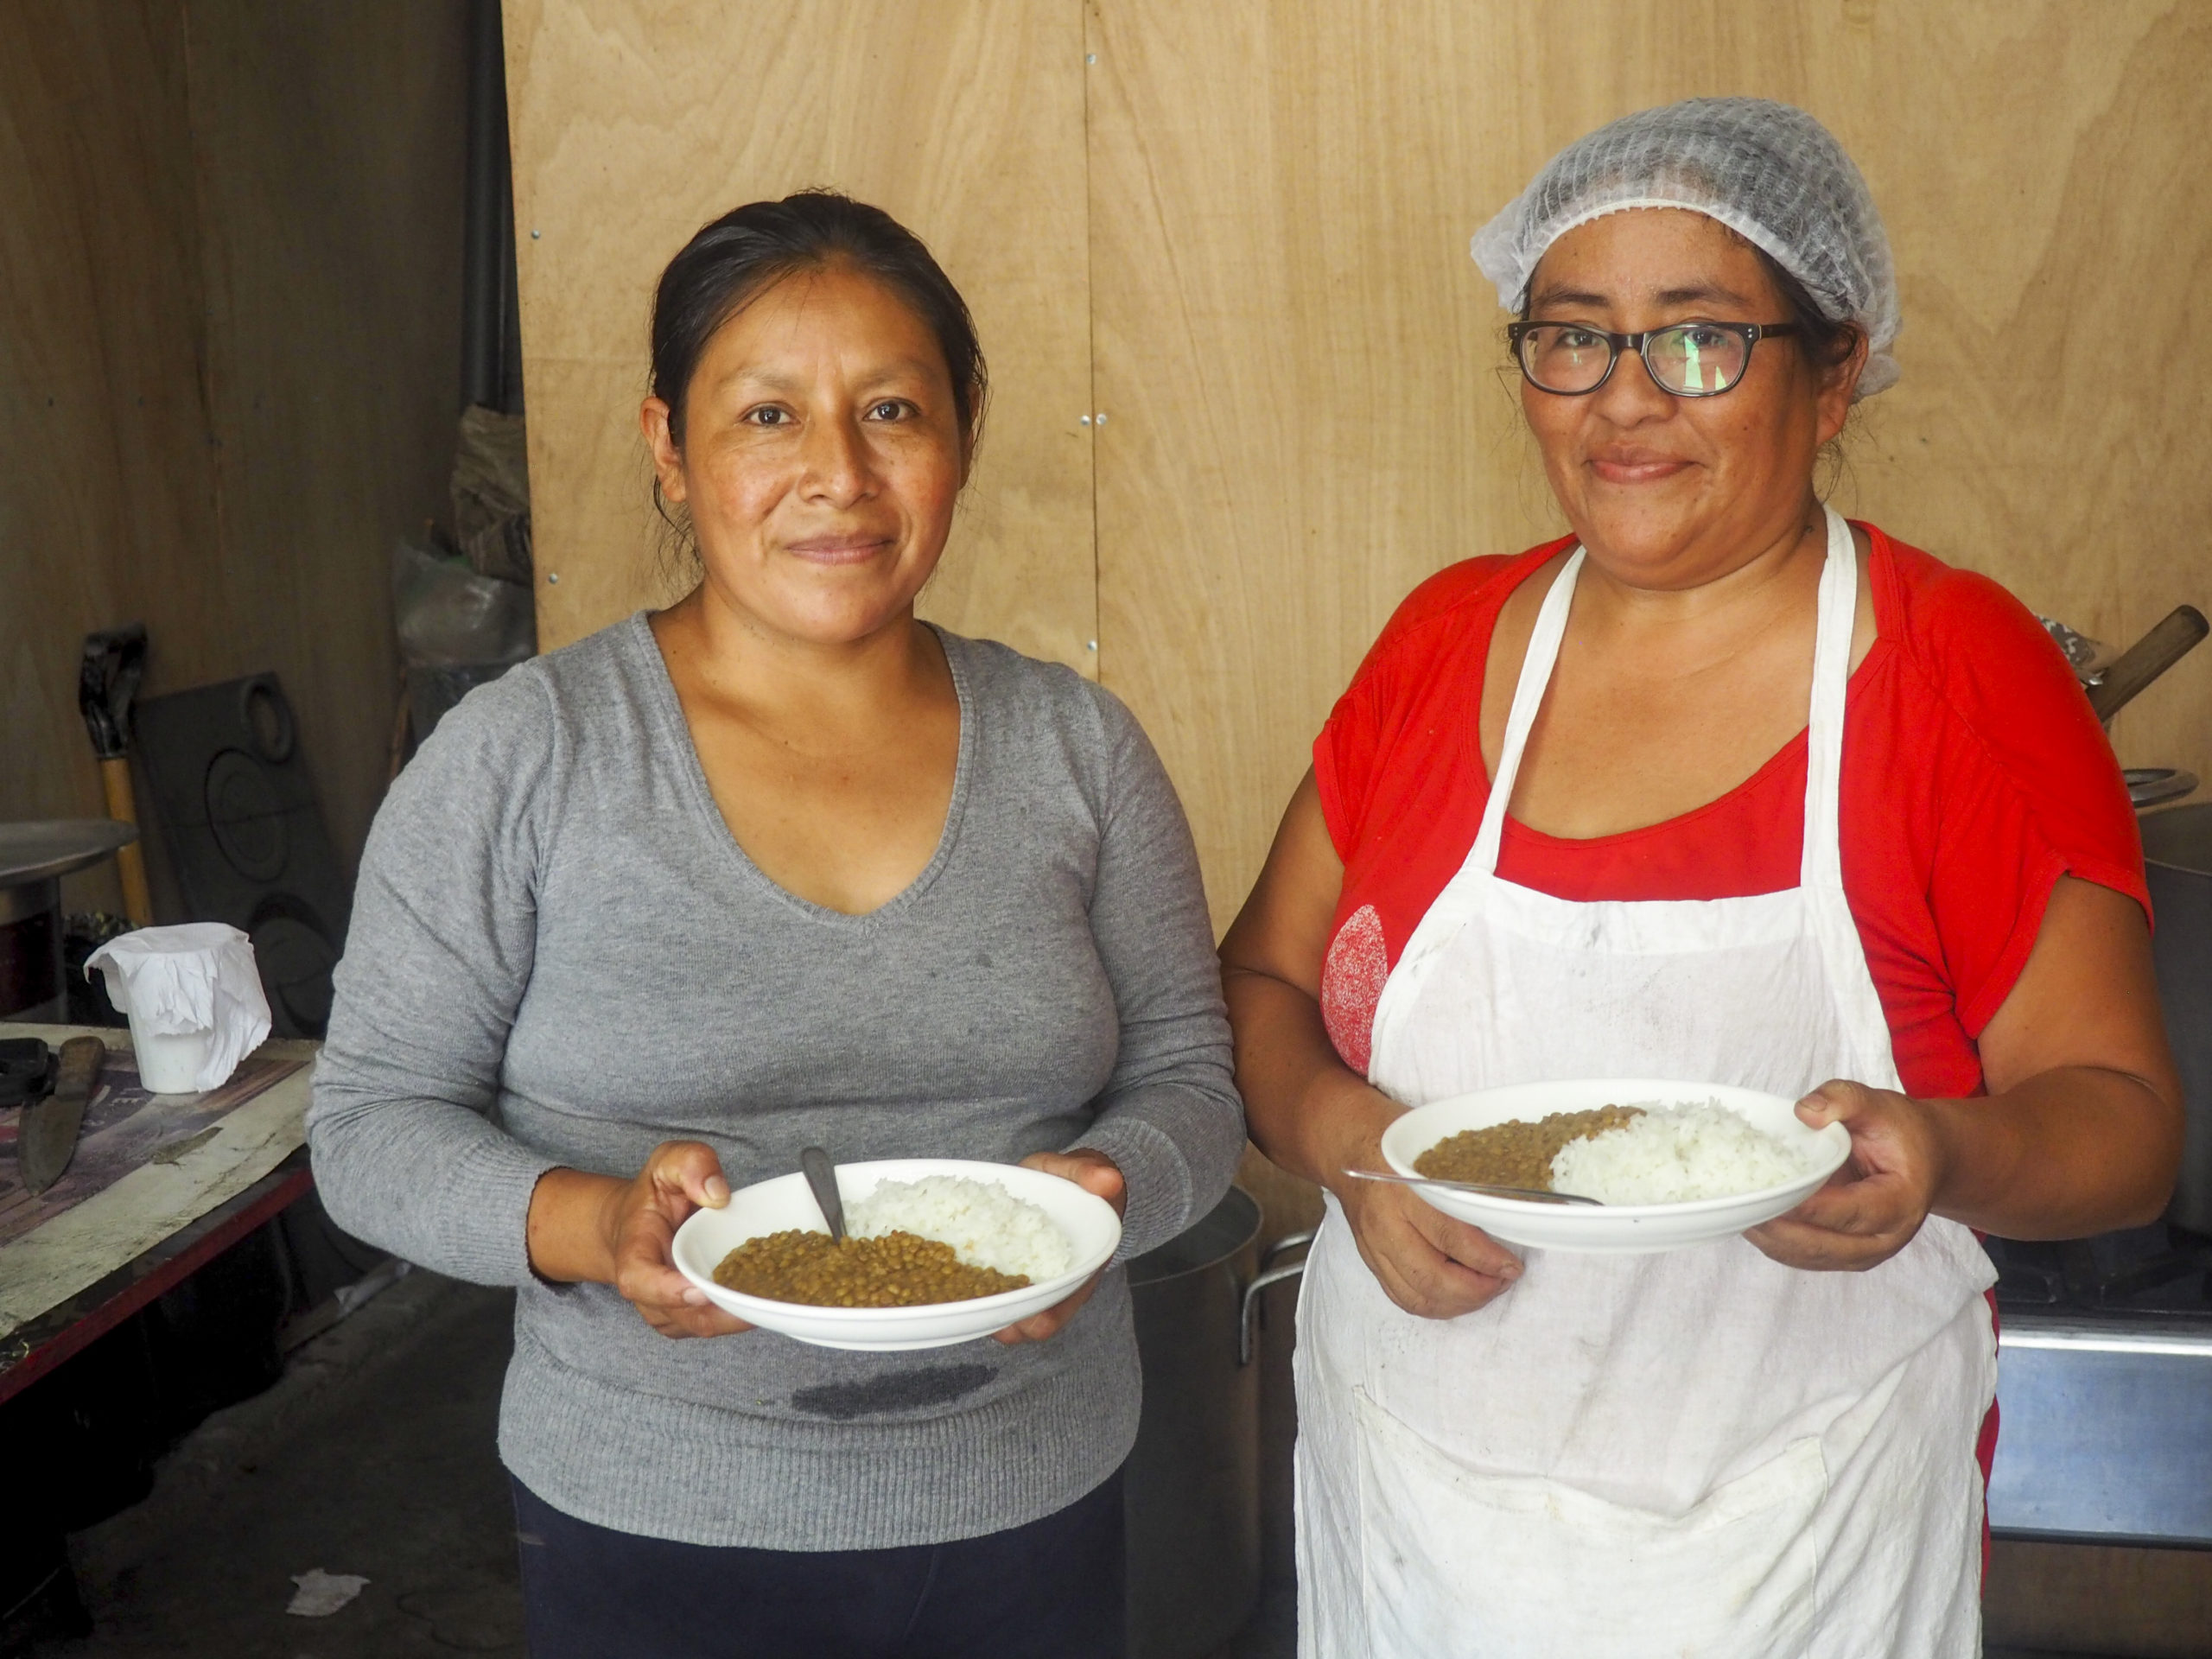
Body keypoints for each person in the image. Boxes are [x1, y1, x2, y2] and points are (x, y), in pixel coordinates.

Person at [1219, 99, 2182, 1656]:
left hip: (1799, 1535)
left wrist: (1940, 1148)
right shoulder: (1442, 643)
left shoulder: (1955, 672)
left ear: (1836, 371)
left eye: (1700, 339)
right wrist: (1345, 1144)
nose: (1623, 402)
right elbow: (1260, 981)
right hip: (1414, 1512)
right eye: (1573, 336)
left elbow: (2123, 1123)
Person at [309, 191, 1243, 1659]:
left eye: (890, 409)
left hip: (1030, 1499)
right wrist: (593, 1227)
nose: (838, 476)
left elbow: (1194, 1075)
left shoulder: (1076, 748)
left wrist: (1106, 1192)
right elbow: (368, 1123)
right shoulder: (528, 755)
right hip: (658, 1518)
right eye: (765, 417)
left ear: (964, 436)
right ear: (668, 451)